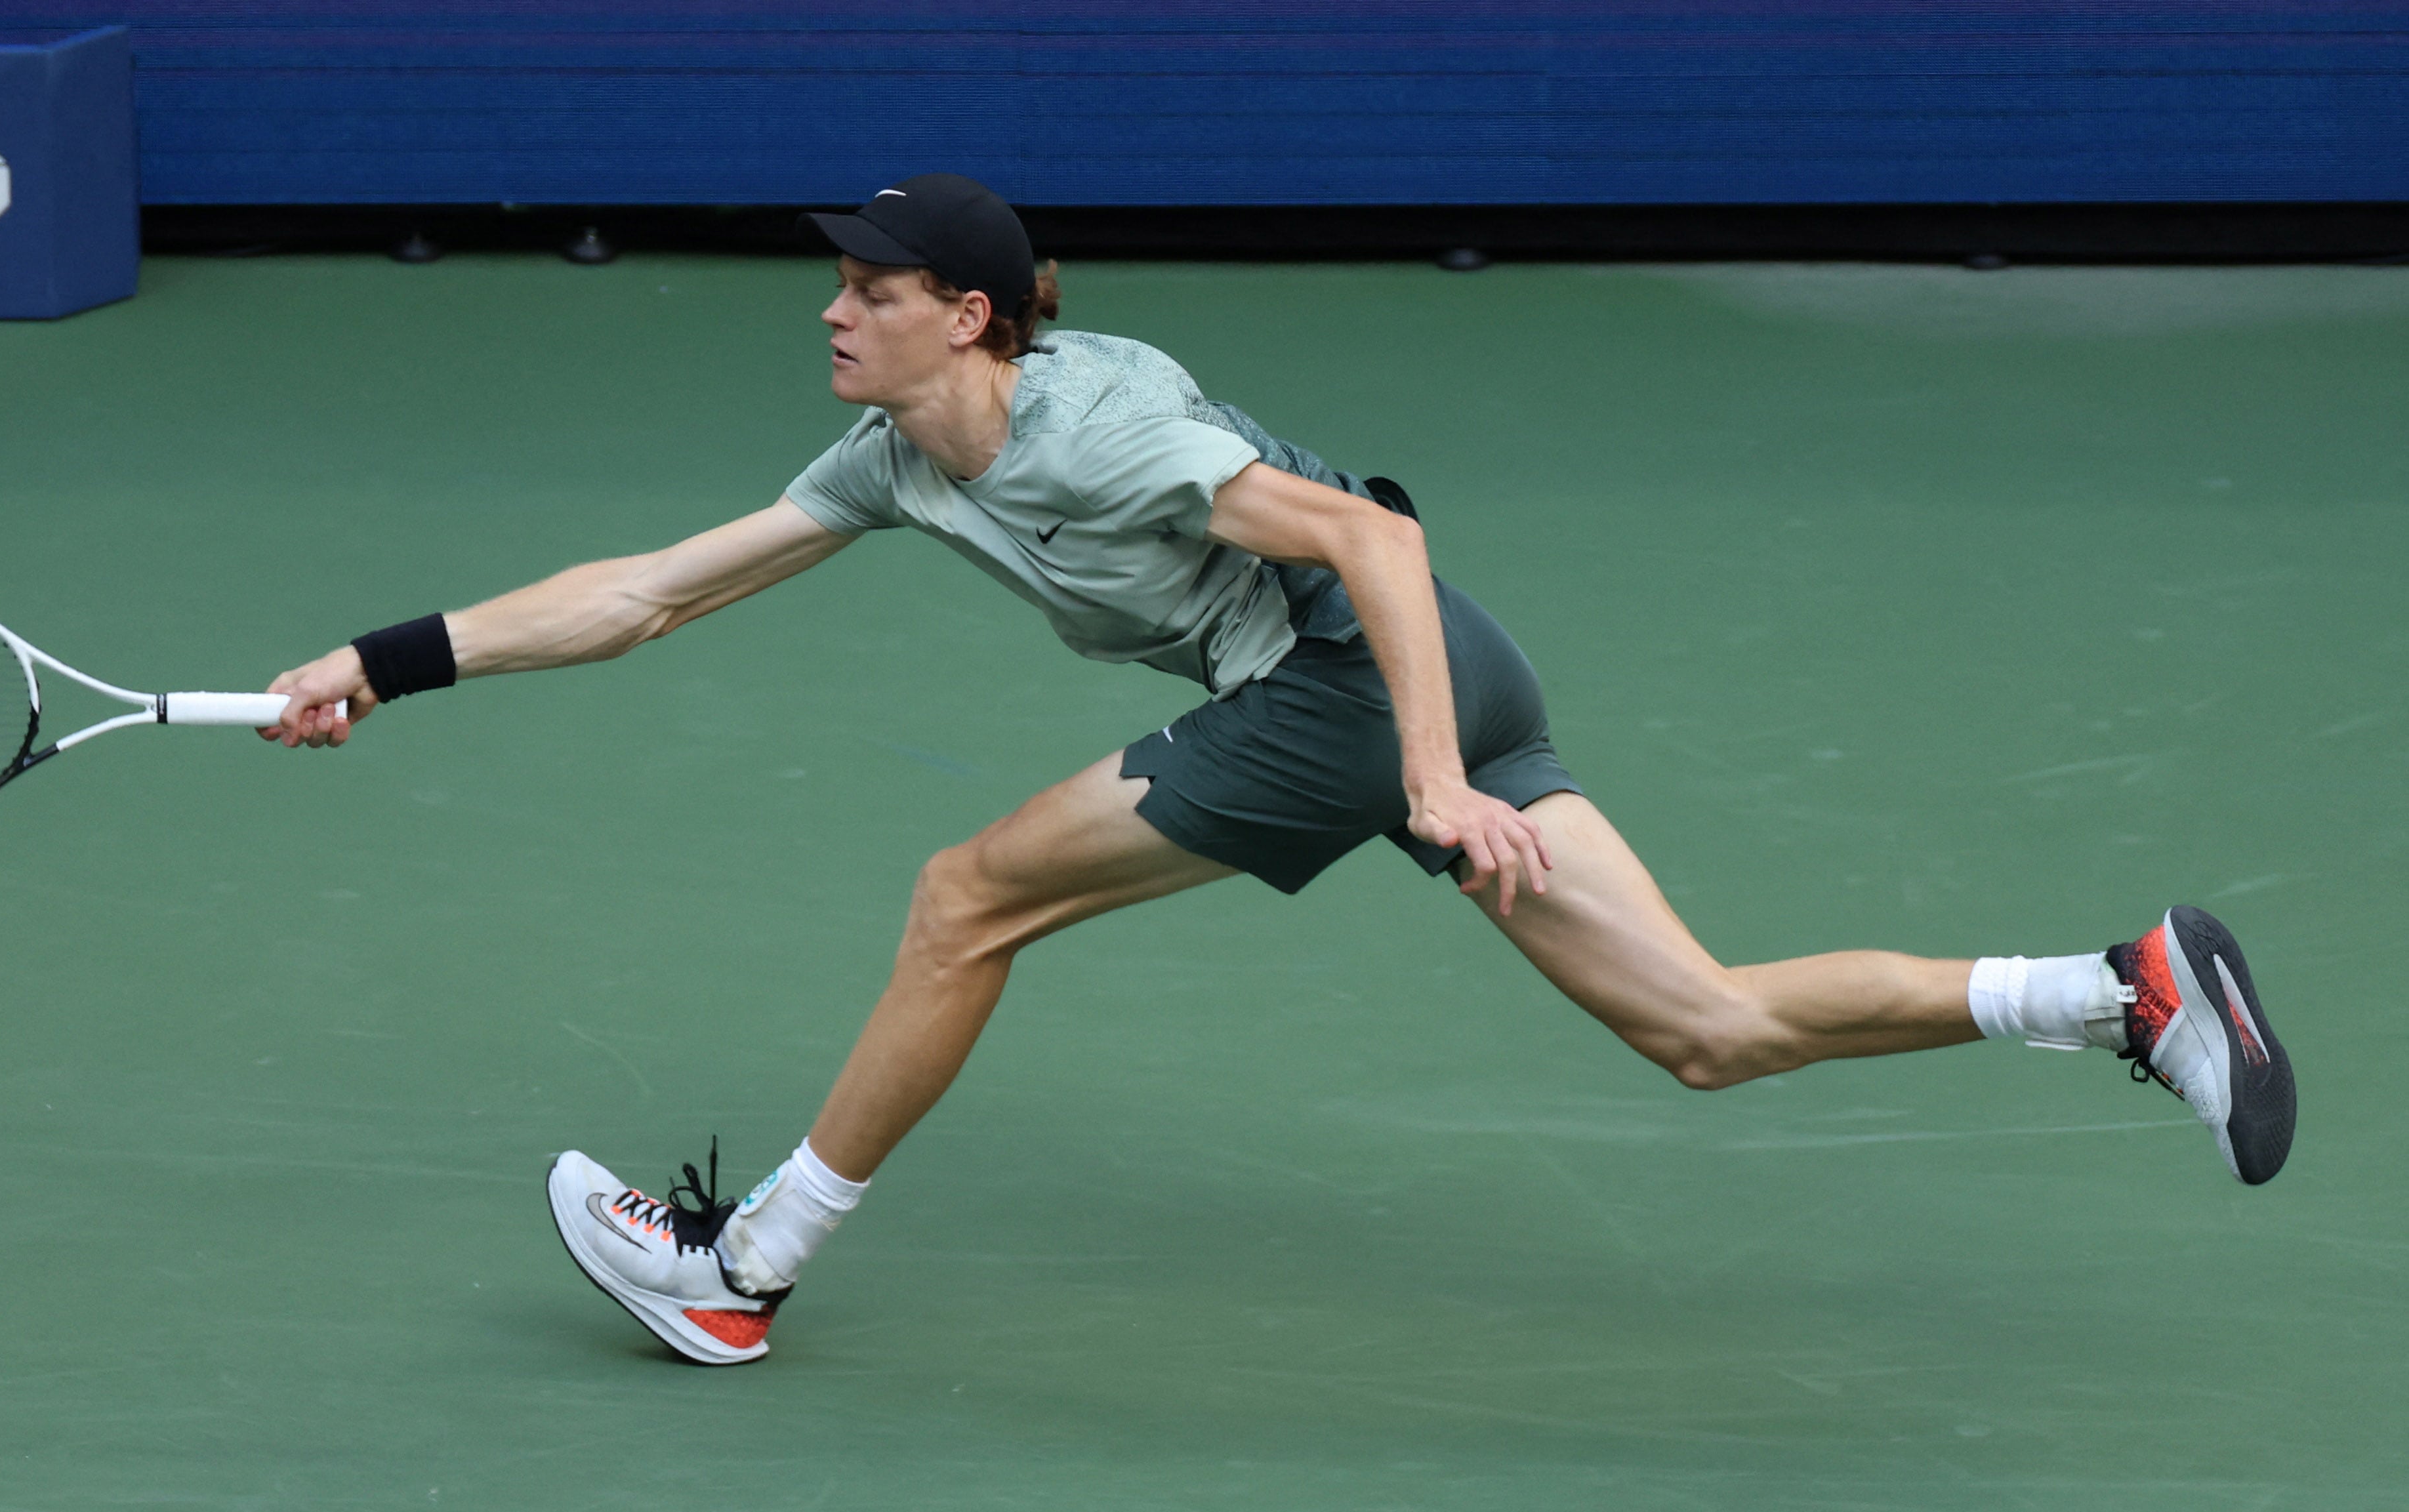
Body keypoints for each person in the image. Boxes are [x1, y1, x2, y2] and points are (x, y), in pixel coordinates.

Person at [263, 174, 2295, 1366]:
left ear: (965, 316)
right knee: (1705, 1027)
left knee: (967, 898)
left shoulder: (1095, 422)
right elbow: (644, 595)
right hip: (1427, 681)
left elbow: (1374, 542)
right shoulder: (896, 459)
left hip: (1358, 682)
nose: (833, 311)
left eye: (869, 294)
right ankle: (2119, 992)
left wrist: (1422, 776)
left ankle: (741, 1278)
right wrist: (379, 662)